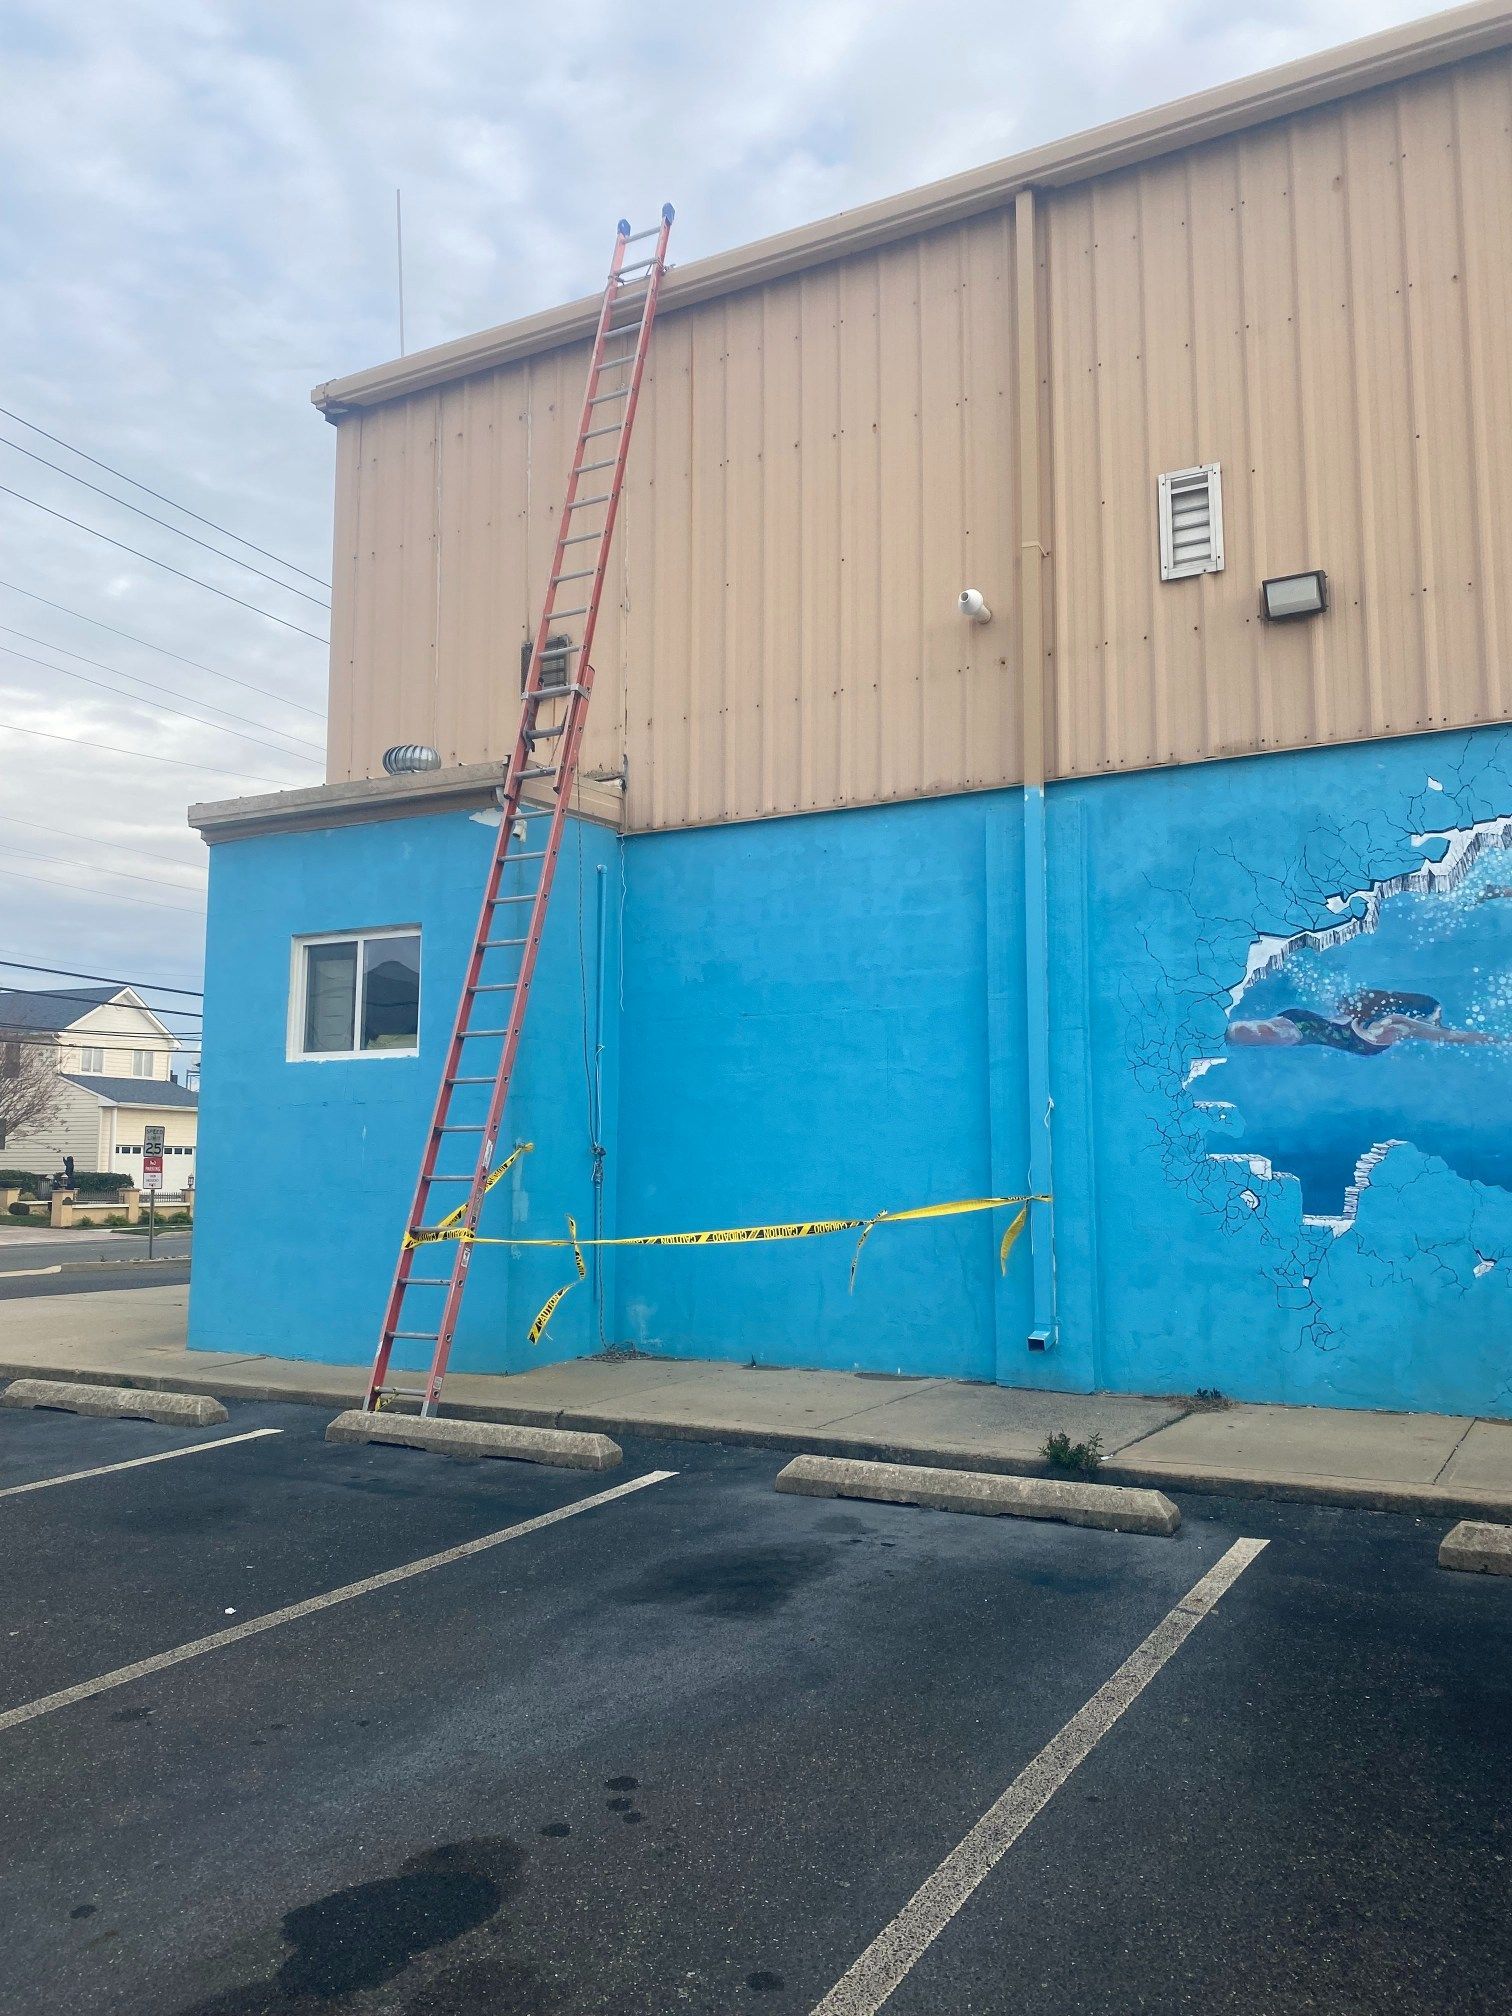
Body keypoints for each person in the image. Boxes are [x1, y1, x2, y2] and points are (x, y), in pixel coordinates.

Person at [1227, 988, 1500, 1056]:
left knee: (1251, 1033)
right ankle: (1212, 1032)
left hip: (1304, 1027)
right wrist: (1498, 1039)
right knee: (1257, 1033)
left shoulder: (1376, 1024)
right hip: (1303, 1028)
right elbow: (1452, 1036)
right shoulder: (1396, 1025)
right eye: (1435, 1021)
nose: (1435, 1026)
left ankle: (1214, 1032)